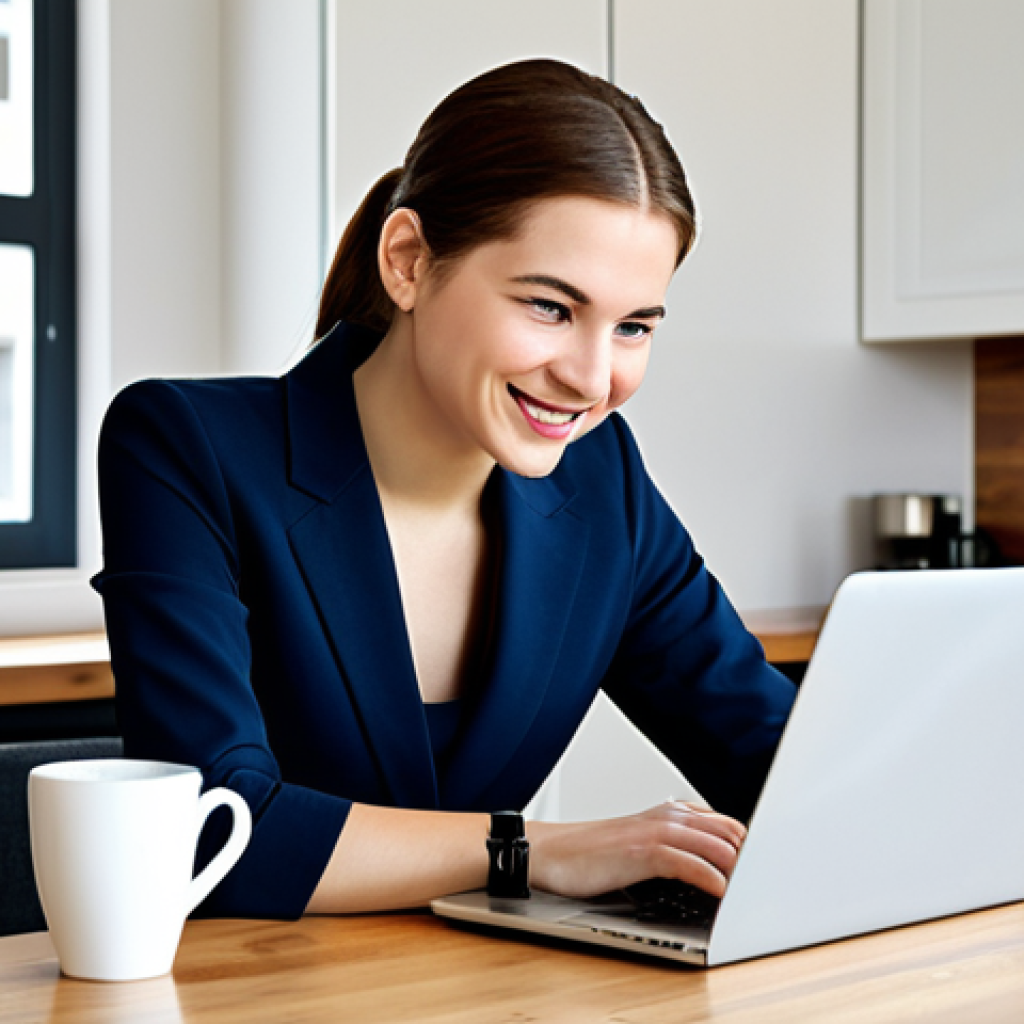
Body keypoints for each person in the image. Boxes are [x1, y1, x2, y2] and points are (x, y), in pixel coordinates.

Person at [92, 59, 796, 919]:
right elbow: (211, 833)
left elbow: (779, 762)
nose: (590, 377)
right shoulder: (184, 444)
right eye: (549, 306)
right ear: (408, 261)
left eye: (634, 326)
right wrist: (533, 848)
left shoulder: (603, 484)